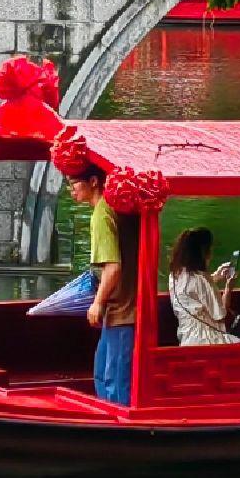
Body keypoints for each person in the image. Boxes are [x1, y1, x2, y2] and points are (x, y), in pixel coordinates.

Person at [65, 160, 135, 403]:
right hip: (118, 311)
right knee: (103, 374)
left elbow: (113, 267)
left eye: (74, 184)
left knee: (114, 380)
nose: (71, 190)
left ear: (94, 182)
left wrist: (97, 302)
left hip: (122, 311)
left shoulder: (102, 213)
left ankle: (121, 433)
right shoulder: (112, 208)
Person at [167, 227, 239, 348]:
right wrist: (228, 287)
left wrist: (215, 277)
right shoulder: (202, 279)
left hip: (187, 338)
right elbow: (221, 316)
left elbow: (192, 290)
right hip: (208, 339)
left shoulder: (174, 276)